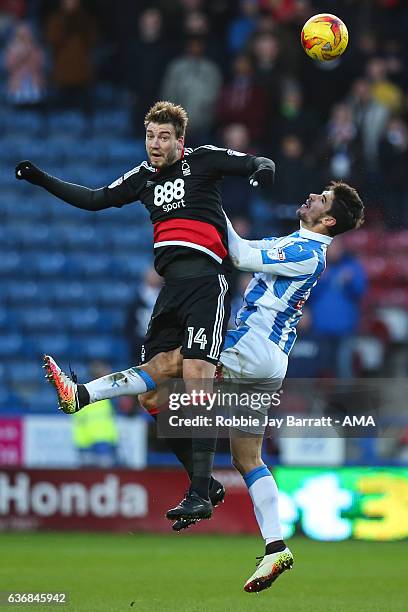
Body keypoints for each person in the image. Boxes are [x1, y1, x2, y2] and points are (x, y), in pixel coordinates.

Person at [39, 180, 364, 593]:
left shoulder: (306, 250)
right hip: (271, 360)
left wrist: (205, 195)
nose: (310, 196)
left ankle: (81, 394)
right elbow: (240, 247)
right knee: (247, 457)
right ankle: (275, 545)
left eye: (320, 198)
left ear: (329, 219)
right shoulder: (299, 244)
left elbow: (241, 254)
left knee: (171, 361)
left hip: (251, 343)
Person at [15, 100, 275, 522]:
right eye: (150, 136)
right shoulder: (142, 178)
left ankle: (198, 494)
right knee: (150, 392)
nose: (155, 144)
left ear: (179, 140)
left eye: (163, 137)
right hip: (171, 292)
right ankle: (201, 480)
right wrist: (42, 179)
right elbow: (96, 198)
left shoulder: (204, 160)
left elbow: (252, 161)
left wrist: (262, 166)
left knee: (196, 381)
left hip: (207, 285)